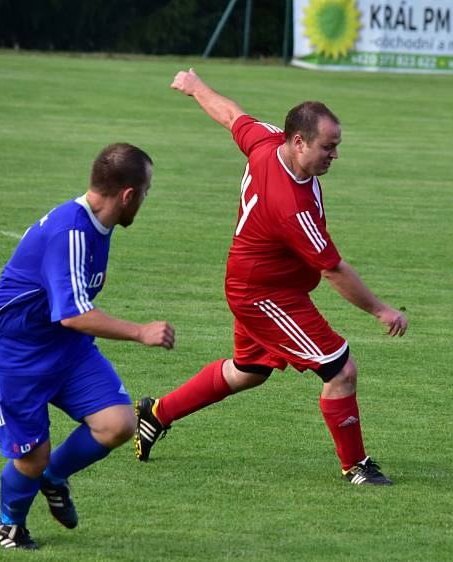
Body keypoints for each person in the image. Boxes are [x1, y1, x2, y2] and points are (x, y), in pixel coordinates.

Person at [134, 69, 407, 486]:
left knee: (247, 370)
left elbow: (231, 115)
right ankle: (356, 466)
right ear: (298, 142)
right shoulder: (290, 204)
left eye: (336, 147)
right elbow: (333, 270)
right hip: (266, 295)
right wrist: (380, 310)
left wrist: (195, 87)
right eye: (327, 148)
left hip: (254, 282)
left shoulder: (266, 141)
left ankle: (157, 413)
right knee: (341, 369)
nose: (334, 156)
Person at [0, 143, 175, 549]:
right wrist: (141, 331)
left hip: (64, 347)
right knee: (32, 456)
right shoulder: (71, 233)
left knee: (118, 424)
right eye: (147, 192)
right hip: (15, 353)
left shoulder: (99, 224)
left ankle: (53, 477)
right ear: (128, 195)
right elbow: (73, 314)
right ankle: (9, 522)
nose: (146, 200)